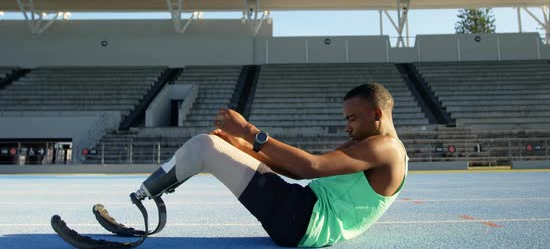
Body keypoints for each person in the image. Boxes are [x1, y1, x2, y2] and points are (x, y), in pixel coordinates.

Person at [139, 82, 408, 247]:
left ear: (376, 114)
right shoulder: (369, 146)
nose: (347, 127)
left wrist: (248, 131)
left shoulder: (386, 147)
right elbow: (294, 170)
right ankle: (150, 192)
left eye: (352, 118)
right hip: (299, 216)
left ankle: (141, 196)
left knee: (203, 146)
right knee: (213, 147)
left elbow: (310, 167)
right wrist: (243, 147)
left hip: (301, 220)